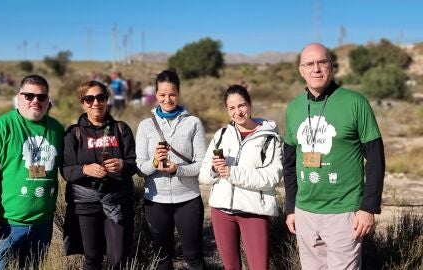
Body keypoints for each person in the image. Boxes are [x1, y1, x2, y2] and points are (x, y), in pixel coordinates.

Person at [283, 43, 385, 269]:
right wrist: (291, 208)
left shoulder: (355, 103)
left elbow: (376, 158)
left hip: (344, 212)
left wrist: (369, 207)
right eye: (309, 64)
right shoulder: (293, 108)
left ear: (331, 66)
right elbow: (288, 163)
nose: (316, 69)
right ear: (301, 70)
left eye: (322, 62)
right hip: (305, 213)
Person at [0, 74, 64, 269]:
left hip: (43, 223)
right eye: (29, 96)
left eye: (41, 97)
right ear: (18, 97)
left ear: (48, 100)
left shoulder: (56, 129)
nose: (35, 100)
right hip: (7, 224)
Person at [199, 85, 283, 270]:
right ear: (227, 110)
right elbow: (204, 176)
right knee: (230, 267)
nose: (238, 112)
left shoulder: (269, 137)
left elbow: (272, 176)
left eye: (242, 105)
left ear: (250, 105)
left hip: (254, 211)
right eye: (232, 108)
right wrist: (214, 168)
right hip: (221, 211)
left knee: (259, 267)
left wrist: (231, 172)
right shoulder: (221, 135)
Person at [135, 69, 207, 270]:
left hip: (188, 199)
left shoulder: (193, 123)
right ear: (155, 95)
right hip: (155, 201)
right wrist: (155, 163)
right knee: (162, 259)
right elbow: (140, 168)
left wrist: (178, 170)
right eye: (162, 94)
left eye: (172, 94)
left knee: (194, 257)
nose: (167, 99)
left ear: (179, 93)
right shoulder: (145, 126)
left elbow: (202, 164)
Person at [61, 80, 137, 270]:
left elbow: (134, 163)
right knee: (92, 258)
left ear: (107, 100)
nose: (96, 103)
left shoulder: (121, 129)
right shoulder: (73, 133)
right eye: (89, 98)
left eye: (100, 97)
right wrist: (85, 170)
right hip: (86, 203)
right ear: (83, 102)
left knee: (118, 259)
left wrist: (122, 165)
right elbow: (66, 170)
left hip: (117, 200)